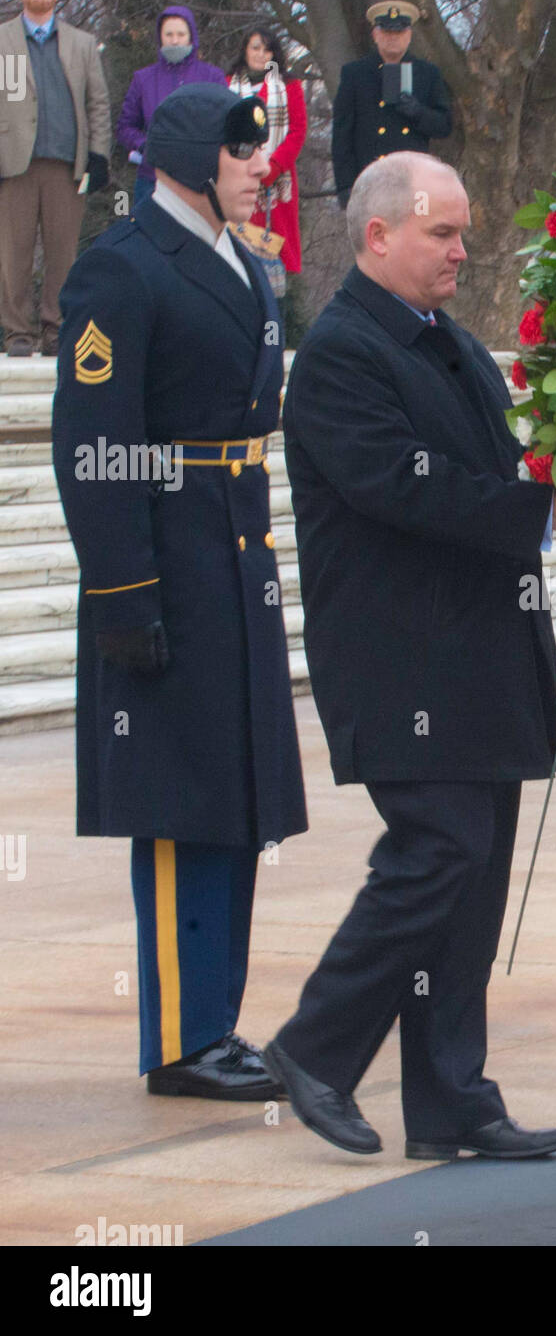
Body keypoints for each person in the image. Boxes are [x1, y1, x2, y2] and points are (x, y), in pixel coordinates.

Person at [264, 150, 556, 1157]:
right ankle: (317, 1047)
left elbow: (503, 462)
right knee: (439, 851)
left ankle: (452, 1097)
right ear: (377, 235)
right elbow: (403, 489)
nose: (464, 249)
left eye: (464, 231)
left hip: (477, 653)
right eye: (442, 233)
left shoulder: (440, 340)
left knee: (474, 873)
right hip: (401, 659)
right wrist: (547, 510)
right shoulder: (339, 354)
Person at [52, 84, 307, 1100]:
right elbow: (92, 443)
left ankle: (216, 1023)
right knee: (176, 806)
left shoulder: (246, 264)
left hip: (233, 552)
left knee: (230, 801)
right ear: (196, 155)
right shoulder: (122, 270)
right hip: (163, 561)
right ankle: (179, 1037)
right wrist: (123, 591)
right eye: (244, 153)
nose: (260, 169)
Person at [0, 0, 110, 357]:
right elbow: (5, 100)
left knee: (64, 253)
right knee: (14, 253)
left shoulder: (81, 43)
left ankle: (56, 329)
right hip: (16, 164)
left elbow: (97, 102)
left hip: (68, 165)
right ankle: (18, 333)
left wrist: (98, 155)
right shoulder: (5, 42)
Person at [330, 0, 452, 209]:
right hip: (369, 179)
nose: (392, 38)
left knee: (415, 240)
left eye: (399, 32)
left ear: (409, 34)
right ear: (375, 34)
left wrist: (418, 112)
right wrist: (345, 186)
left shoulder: (427, 73)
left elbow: (444, 126)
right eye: (386, 32)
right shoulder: (355, 73)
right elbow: (342, 135)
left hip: (414, 179)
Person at [116, 6, 225, 205]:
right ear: (160, 37)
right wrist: (145, 146)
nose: (175, 40)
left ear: (191, 37)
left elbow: (225, 125)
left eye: (181, 34)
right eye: (169, 34)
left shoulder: (212, 77)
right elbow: (125, 127)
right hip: (152, 180)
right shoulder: (143, 79)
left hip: (199, 183)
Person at [226, 26, 307, 275]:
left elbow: (298, 130)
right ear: (245, 51)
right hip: (237, 175)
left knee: (277, 244)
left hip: (277, 180)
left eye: (267, 49)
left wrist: (273, 168)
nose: (261, 54)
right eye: (256, 48)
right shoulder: (227, 84)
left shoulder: (289, 86)